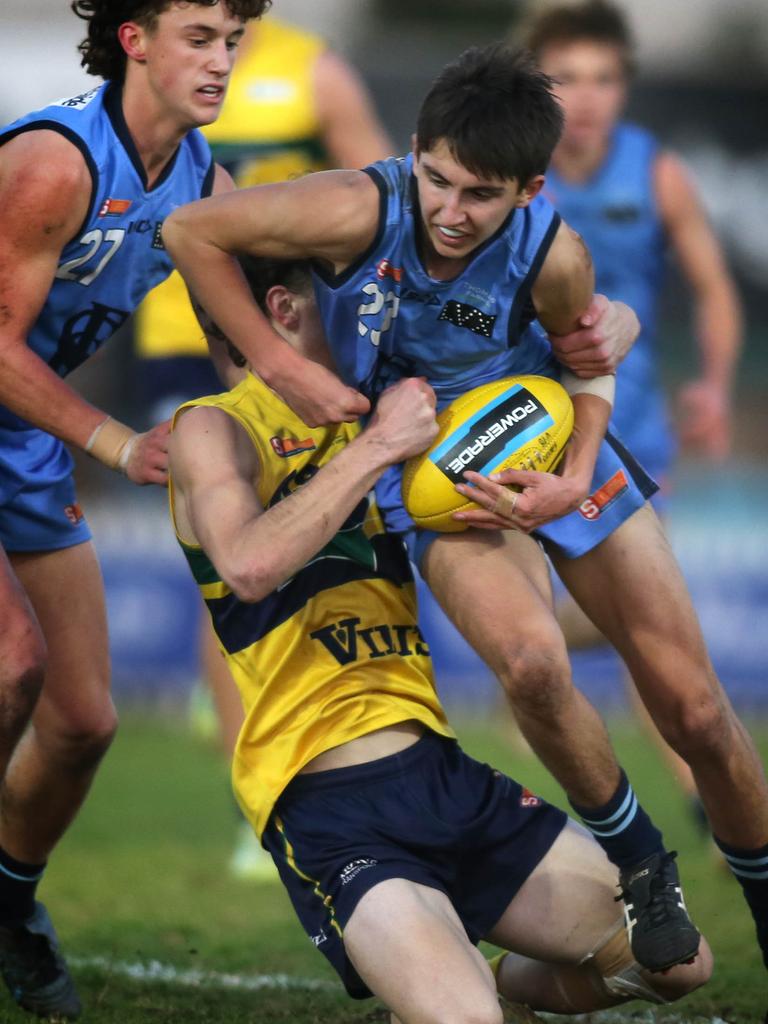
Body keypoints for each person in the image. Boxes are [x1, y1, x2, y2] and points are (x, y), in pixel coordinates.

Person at [163, 42, 768, 976]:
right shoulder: (356, 206)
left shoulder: (553, 255)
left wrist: (571, 471)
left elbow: (590, 359)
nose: (449, 212)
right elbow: (191, 232)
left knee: (695, 713)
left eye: (479, 195)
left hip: (553, 445)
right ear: (415, 151)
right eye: (436, 181)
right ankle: (643, 860)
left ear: (528, 191)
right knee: (530, 662)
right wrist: (282, 370)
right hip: (440, 483)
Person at [167, 254, 712, 1021]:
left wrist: (611, 318)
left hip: (442, 772)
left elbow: (504, 312)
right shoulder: (213, 427)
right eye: (343, 292)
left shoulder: (389, 395)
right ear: (285, 309)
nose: (371, 302)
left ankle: (475, 976)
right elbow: (250, 566)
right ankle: (447, 986)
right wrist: (380, 447)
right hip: (326, 804)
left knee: (678, 964)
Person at [0, 1, 269, 1018]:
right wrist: (116, 440)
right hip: (27, 413)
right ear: (135, 41)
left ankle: (10, 900)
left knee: (82, 723)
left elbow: (242, 344)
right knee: (12, 665)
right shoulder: (55, 163)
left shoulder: (205, 181)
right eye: (199, 37)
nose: (221, 60)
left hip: (19, 439)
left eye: (231, 41)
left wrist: (324, 436)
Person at [132, 11, 393, 879]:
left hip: (283, 339)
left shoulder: (314, 73)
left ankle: (307, 755)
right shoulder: (159, 61)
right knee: (233, 552)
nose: (214, 52)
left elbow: (383, 202)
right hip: (177, 337)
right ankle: (261, 796)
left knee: (288, 550)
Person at [518, 0, 744, 826]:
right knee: (564, 637)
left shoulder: (656, 172)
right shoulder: (506, 169)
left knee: (644, 636)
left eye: (604, 78)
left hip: (629, 434)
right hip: (523, 427)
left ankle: (705, 804)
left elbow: (715, 290)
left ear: (624, 86)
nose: (586, 96)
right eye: (566, 77)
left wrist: (714, 383)